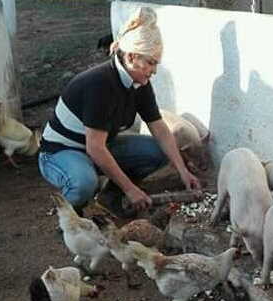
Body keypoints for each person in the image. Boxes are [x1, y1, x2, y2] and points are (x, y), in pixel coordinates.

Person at [38, 7, 201, 217]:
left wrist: (182, 171)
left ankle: (110, 196)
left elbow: (159, 128)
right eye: (150, 63)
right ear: (132, 57)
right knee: (84, 183)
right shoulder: (99, 84)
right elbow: (95, 148)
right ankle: (69, 217)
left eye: (156, 63)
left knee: (158, 151)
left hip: (99, 146)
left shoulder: (138, 82)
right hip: (61, 152)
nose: (154, 70)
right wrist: (131, 189)